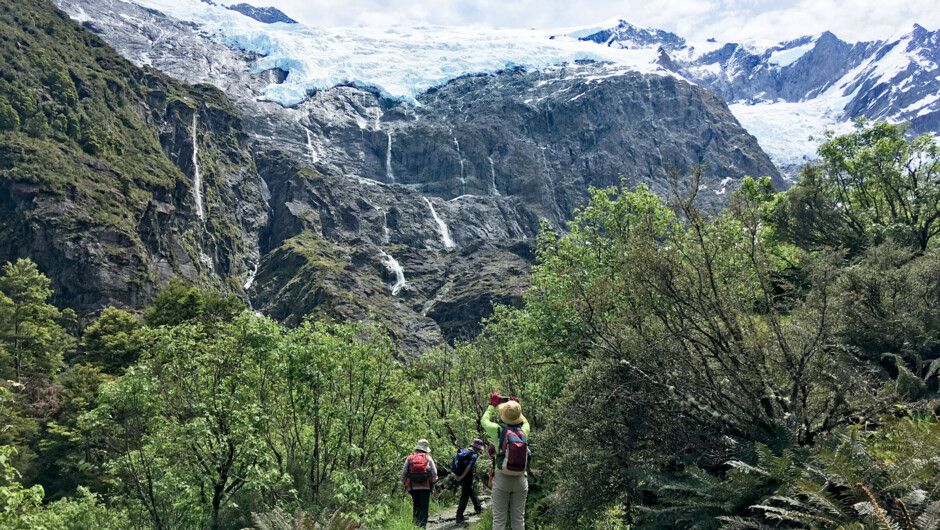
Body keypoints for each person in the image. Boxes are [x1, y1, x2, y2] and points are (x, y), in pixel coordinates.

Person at [481, 392, 530, 530]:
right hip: (521, 479)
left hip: (502, 477)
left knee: (499, 520)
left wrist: (492, 405)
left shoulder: (497, 430)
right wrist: (516, 406)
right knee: (519, 519)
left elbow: (484, 420)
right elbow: (525, 421)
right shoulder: (524, 430)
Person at [401, 438, 438, 527]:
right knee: (424, 507)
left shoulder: (410, 458)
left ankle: (415, 525)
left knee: (416, 505)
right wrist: (434, 480)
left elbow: (404, 472)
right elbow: (434, 472)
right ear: (425, 449)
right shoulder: (428, 458)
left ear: (417, 448)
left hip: (413, 487)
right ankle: (422, 526)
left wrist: (404, 482)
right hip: (426, 486)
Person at [453, 438, 485, 524]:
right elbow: (469, 467)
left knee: (470, 490)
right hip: (466, 476)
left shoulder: (463, 451)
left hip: (458, 475)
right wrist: (462, 476)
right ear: (478, 447)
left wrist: (456, 475)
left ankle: (478, 509)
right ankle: (459, 516)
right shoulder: (474, 455)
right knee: (465, 496)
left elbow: (455, 462)